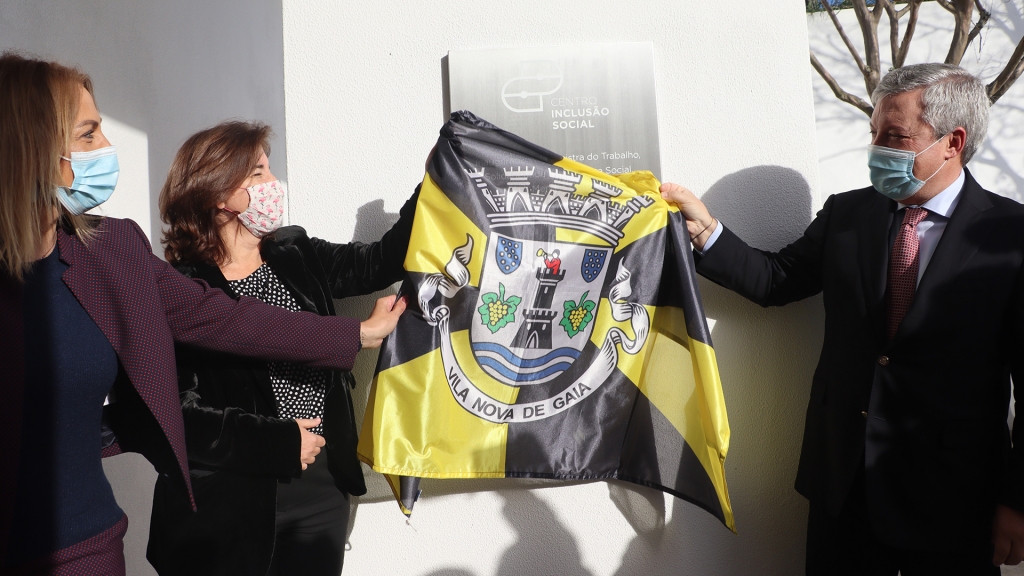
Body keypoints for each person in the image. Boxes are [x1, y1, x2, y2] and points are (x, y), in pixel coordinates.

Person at [0, 53, 405, 575]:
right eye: (89, 134)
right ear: (32, 147)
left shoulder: (111, 249)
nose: (106, 149)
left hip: (86, 546)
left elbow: (228, 319)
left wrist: (354, 335)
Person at [661, 63, 1024, 575]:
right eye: (873, 132)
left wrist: (1017, 502)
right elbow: (775, 280)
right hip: (844, 488)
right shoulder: (850, 215)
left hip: (954, 499)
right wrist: (704, 230)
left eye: (893, 136)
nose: (875, 148)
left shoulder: (1010, 235)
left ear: (952, 142)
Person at [146, 120, 417, 576]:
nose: (273, 184)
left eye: (270, 170)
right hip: (229, 502)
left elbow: (380, 259)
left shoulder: (294, 252)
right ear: (217, 191)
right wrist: (277, 442)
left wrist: (435, 180)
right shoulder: (182, 290)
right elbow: (181, 414)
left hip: (322, 490)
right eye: (257, 173)